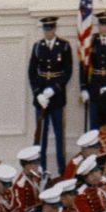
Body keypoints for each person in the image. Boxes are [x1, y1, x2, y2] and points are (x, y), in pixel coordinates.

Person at [28, 13, 72, 177]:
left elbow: (67, 71)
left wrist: (54, 88)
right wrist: (38, 93)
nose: (48, 31)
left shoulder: (64, 46)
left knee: (59, 136)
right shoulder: (38, 46)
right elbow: (32, 72)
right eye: (46, 28)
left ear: (55, 28)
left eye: (51, 28)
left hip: (57, 97)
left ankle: (62, 172)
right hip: (41, 100)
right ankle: (42, 171)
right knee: (42, 138)